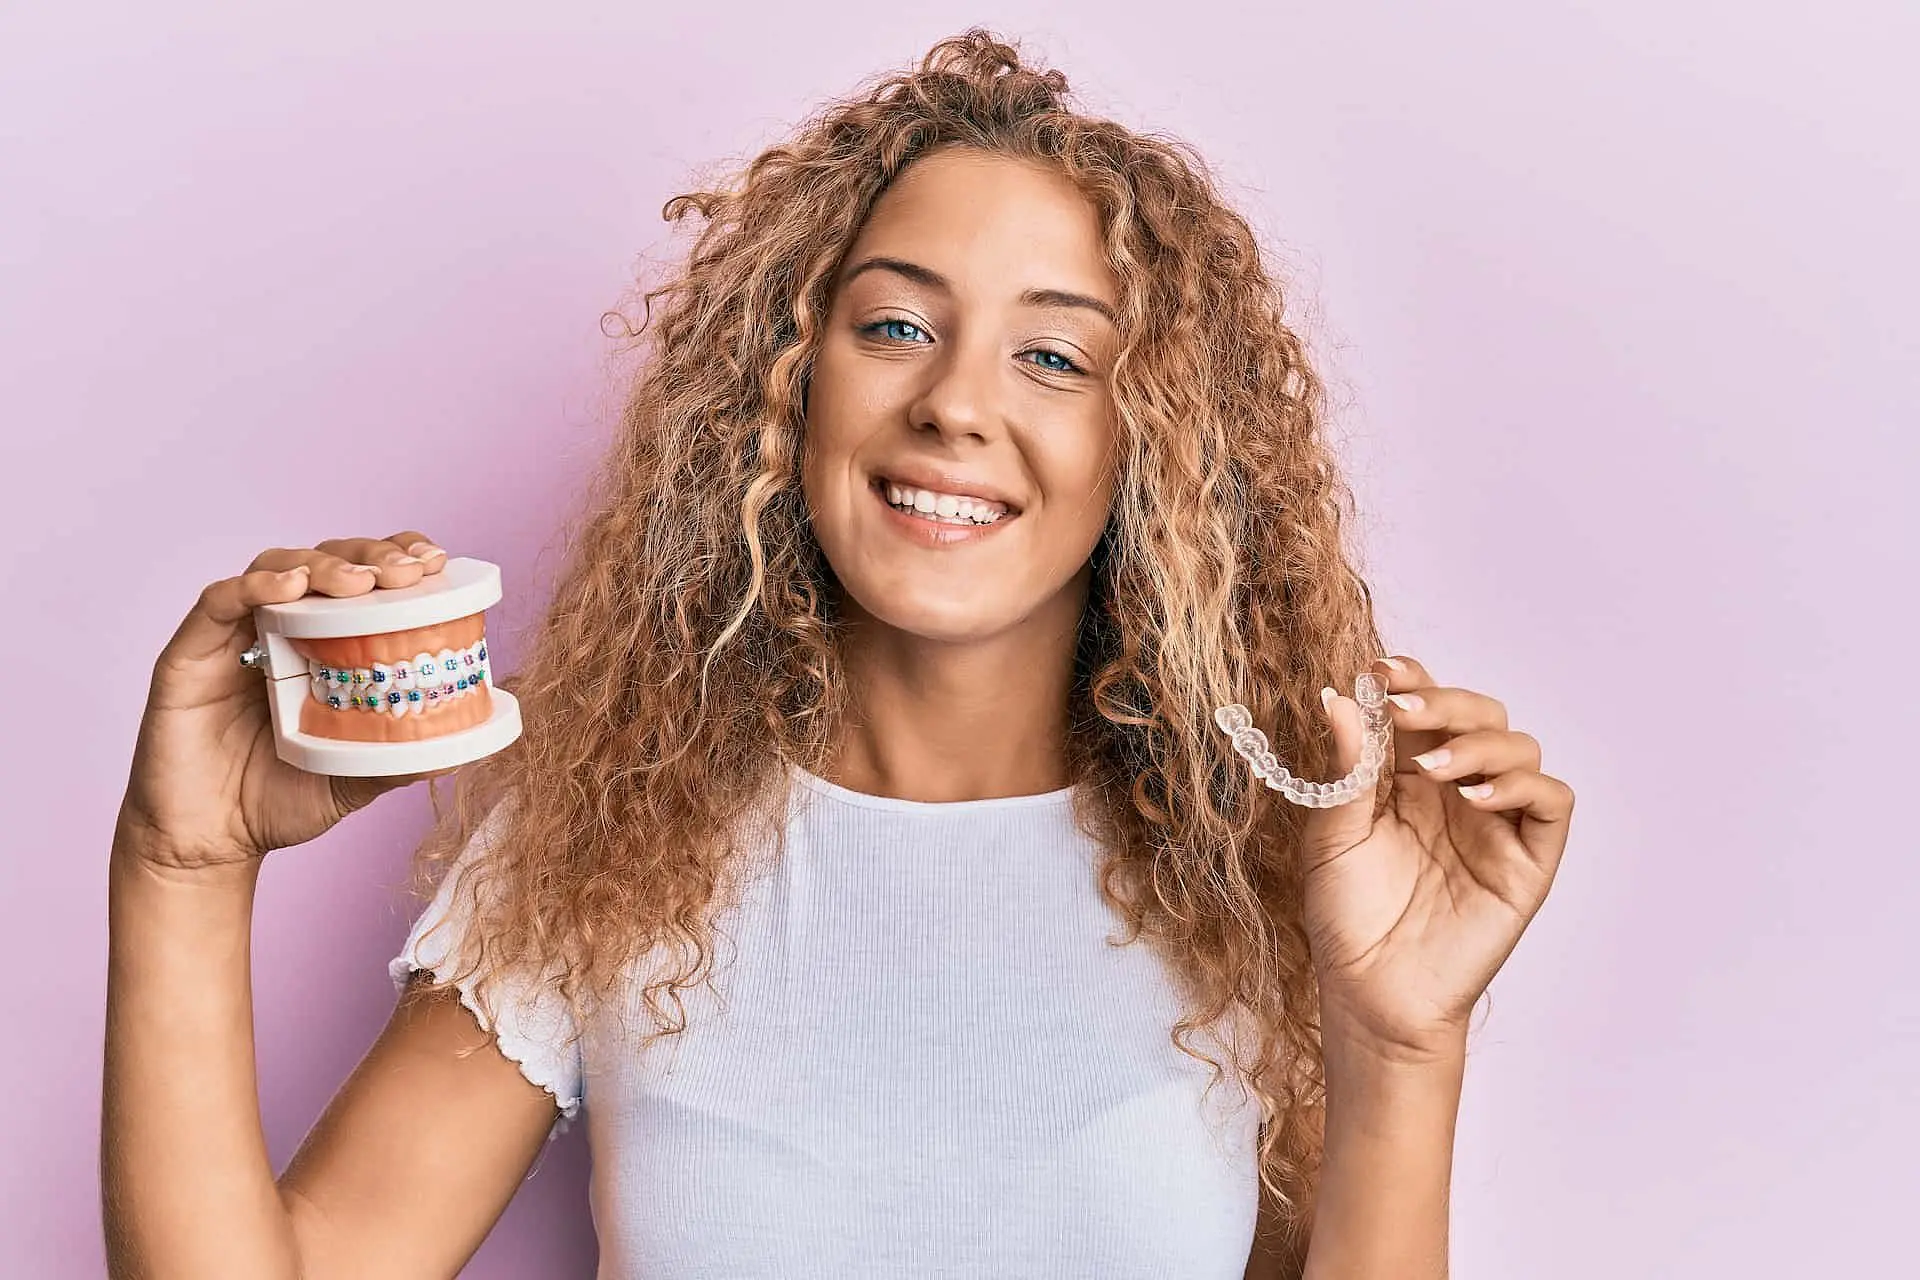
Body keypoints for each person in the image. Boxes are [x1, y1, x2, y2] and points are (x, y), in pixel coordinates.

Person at [100, 28, 1575, 1280]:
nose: (953, 403)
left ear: (1156, 448)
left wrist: (1403, 1047)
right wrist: (182, 869)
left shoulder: (1269, 878)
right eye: (893, 325)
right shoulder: (606, 840)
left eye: (1053, 355)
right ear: (791, 386)